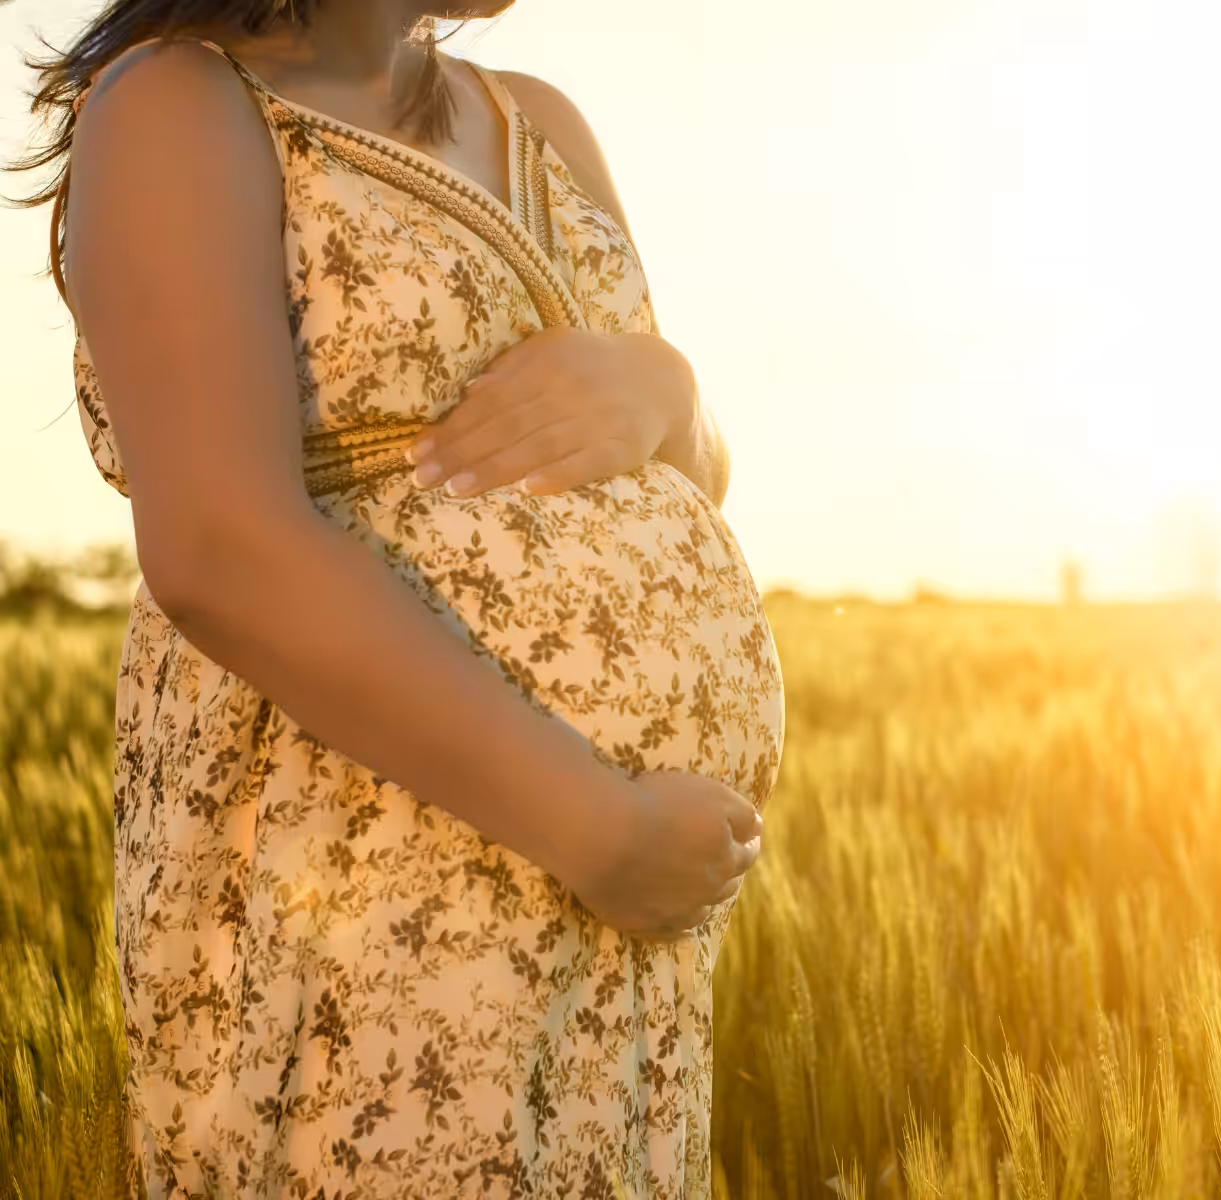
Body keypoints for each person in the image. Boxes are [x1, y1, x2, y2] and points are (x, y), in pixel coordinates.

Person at [9, 1, 787, 1194]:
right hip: (371, 854)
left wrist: (663, 392)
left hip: (610, 923)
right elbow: (222, 546)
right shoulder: (181, 105)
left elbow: (692, 472)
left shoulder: (542, 123)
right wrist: (597, 828)